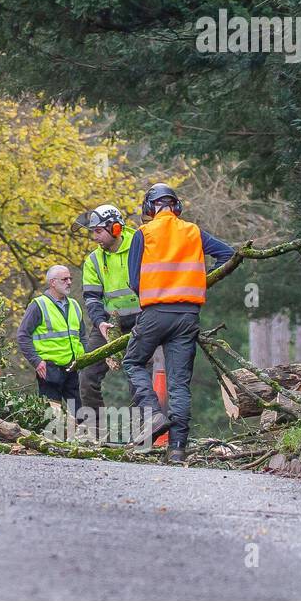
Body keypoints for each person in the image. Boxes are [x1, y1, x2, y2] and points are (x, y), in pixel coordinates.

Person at [124, 183, 234, 463]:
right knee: (179, 384)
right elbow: (229, 255)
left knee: (133, 362)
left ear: (150, 208)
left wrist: (154, 294)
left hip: (155, 312)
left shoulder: (143, 233)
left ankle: (153, 415)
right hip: (187, 316)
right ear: (176, 206)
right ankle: (177, 450)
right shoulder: (193, 232)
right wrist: (202, 278)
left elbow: (134, 281)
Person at [74, 204, 140, 423]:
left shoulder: (140, 247)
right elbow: (92, 298)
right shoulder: (93, 260)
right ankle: (96, 430)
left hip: (142, 321)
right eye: (93, 232)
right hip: (108, 323)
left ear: (115, 229)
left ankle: (145, 430)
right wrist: (100, 323)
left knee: (139, 376)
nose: (95, 237)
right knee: (87, 373)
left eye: (98, 231)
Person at [17, 265, 85, 414]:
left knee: (81, 416)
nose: (69, 282)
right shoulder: (38, 305)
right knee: (52, 418)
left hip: (73, 369)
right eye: (64, 279)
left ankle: (85, 437)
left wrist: (84, 359)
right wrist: (36, 361)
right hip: (49, 370)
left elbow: (82, 336)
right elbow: (23, 335)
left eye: (70, 279)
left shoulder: (74, 305)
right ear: (53, 282)